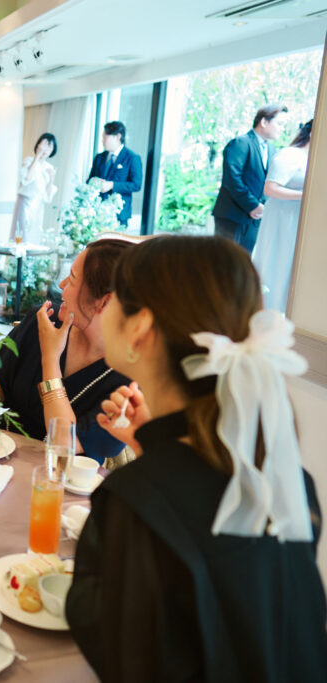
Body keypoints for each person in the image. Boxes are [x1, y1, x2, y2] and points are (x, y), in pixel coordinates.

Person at [67, 235, 327, 681]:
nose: (104, 308)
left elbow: (120, 651)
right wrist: (152, 447)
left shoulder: (135, 503)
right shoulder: (289, 481)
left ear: (140, 329)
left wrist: (152, 469)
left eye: (117, 300)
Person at [0, 239, 131, 464]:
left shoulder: (129, 380)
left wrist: (50, 358)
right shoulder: (44, 320)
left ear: (104, 302)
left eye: (73, 278)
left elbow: (63, 442)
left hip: (62, 486)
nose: (61, 285)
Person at [251, 119, 311, 312]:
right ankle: (265, 313)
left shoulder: (313, 159)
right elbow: (270, 188)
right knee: (275, 263)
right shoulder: (290, 155)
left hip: (296, 219)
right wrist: (307, 196)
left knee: (290, 268)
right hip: (281, 218)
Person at [213, 104, 289, 254]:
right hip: (232, 216)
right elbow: (232, 179)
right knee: (222, 263)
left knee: (243, 264)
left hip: (254, 220)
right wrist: (253, 205)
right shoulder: (241, 143)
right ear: (264, 122)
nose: (282, 129)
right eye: (280, 124)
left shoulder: (272, 150)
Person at [87, 121, 142, 227]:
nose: (102, 141)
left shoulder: (132, 158)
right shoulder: (99, 157)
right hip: (96, 213)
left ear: (117, 137)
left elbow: (136, 185)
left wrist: (112, 185)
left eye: (105, 137)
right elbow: (89, 180)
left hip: (119, 215)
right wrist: (95, 183)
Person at [10, 133, 58, 243]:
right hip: (25, 205)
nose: (46, 150)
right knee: (21, 235)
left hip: (38, 207)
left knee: (34, 236)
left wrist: (51, 179)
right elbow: (26, 178)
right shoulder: (29, 161)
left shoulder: (49, 168)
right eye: (44, 145)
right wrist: (37, 155)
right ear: (38, 145)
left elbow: (48, 197)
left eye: (49, 147)